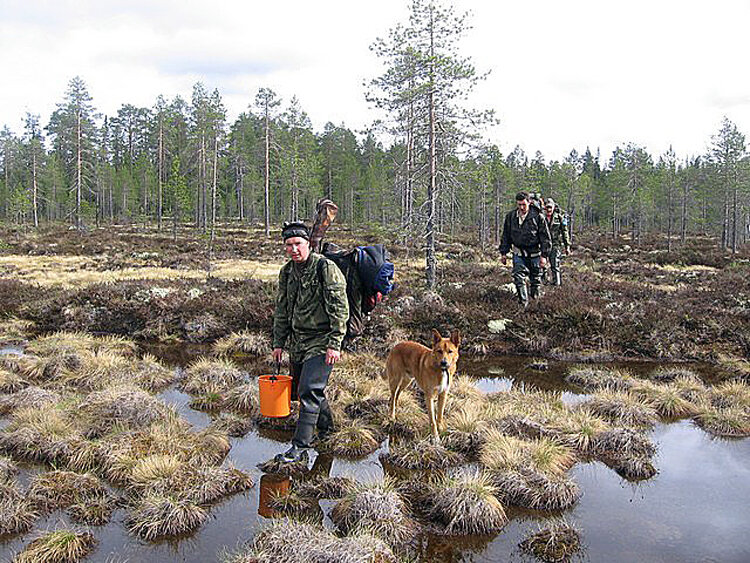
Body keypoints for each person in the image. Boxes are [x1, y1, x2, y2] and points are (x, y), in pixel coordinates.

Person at [271, 221, 349, 463]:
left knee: (309, 390)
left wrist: (335, 343)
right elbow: (282, 308)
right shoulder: (286, 272)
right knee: (303, 390)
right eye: (289, 245)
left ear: (308, 244)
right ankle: (327, 430)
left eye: (298, 244)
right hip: (297, 341)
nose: (294, 249)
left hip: (322, 339)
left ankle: (300, 447)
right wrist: (278, 342)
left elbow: (340, 308)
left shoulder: (325, 268)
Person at [498, 191, 552, 306]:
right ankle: (523, 303)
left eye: (524, 204)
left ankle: (534, 303)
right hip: (518, 254)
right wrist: (503, 253)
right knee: (518, 277)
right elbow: (506, 235)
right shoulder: (511, 217)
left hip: (535, 255)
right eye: (519, 205)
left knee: (535, 280)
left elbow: (545, 238)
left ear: (529, 202)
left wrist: (544, 256)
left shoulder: (538, 217)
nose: (521, 207)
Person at [543, 198, 571, 286]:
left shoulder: (559, 217)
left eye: (550, 207)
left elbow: (564, 232)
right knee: (541, 265)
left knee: (555, 265)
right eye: (547, 207)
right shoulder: (541, 217)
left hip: (555, 245)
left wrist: (567, 246)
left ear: (553, 207)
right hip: (542, 245)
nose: (548, 210)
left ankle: (556, 285)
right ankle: (543, 283)